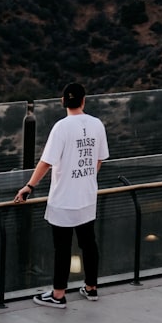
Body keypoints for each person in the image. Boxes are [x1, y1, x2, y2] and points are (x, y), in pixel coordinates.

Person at [14, 82, 109, 309]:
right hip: (87, 196)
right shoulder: (97, 124)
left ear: (63, 101)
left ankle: (58, 295)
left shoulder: (61, 127)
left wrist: (29, 186)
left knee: (63, 248)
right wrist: (87, 177)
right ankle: (91, 288)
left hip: (64, 199)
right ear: (84, 101)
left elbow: (46, 162)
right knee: (89, 243)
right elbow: (99, 159)